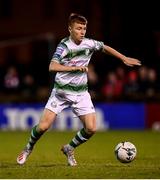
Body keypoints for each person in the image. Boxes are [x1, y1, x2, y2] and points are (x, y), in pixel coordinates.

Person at [17, 13, 141, 166]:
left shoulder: (88, 43)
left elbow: (104, 47)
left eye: (84, 28)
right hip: (61, 93)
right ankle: (28, 148)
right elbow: (52, 66)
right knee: (43, 127)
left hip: (81, 93)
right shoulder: (64, 46)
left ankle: (69, 148)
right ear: (70, 29)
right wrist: (73, 68)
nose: (82, 32)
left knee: (91, 128)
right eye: (78, 28)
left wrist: (123, 58)